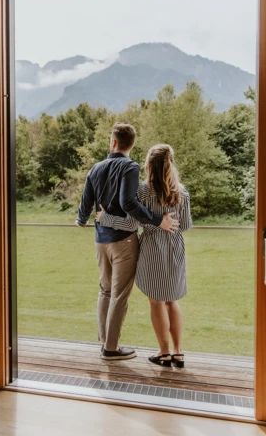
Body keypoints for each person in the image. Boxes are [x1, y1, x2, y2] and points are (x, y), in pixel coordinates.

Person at [76, 124, 179, 361]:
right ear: (132, 144)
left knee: (105, 290)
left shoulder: (96, 167)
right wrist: (157, 220)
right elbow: (128, 204)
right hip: (123, 241)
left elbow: (85, 202)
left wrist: (81, 219)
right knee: (119, 295)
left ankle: (104, 342)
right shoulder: (130, 167)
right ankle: (111, 349)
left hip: (100, 240)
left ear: (113, 142)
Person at [95, 144, 192, 368]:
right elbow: (185, 225)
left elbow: (131, 223)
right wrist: (169, 223)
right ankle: (178, 353)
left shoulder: (143, 191)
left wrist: (105, 218)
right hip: (175, 250)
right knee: (172, 300)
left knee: (156, 301)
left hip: (151, 250)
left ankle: (164, 352)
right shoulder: (182, 192)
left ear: (148, 165)